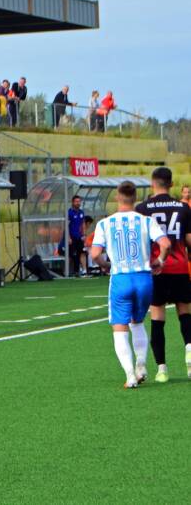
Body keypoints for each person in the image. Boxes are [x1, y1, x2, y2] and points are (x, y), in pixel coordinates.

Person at [91, 181, 171, 389]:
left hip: (121, 279)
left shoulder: (105, 223)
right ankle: (142, 366)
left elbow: (95, 254)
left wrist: (106, 265)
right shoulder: (146, 221)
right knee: (137, 322)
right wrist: (159, 261)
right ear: (135, 198)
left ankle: (130, 376)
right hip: (144, 278)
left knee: (119, 328)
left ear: (117, 197)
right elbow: (165, 244)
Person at [134, 167, 191, 383]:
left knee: (157, 318)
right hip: (179, 267)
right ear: (172, 184)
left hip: (156, 268)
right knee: (184, 312)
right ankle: (189, 348)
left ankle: (162, 369)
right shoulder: (183, 207)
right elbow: (189, 241)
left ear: (152, 183)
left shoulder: (142, 208)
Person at [67, 195, 86, 276]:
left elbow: (83, 224)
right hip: (72, 237)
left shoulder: (81, 212)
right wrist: (68, 237)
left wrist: (84, 235)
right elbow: (66, 225)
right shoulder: (69, 212)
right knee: (72, 254)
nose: (78, 203)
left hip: (79, 237)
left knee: (82, 253)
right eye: (76, 201)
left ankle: (84, 270)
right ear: (73, 202)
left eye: (79, 201)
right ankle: (71, 271)